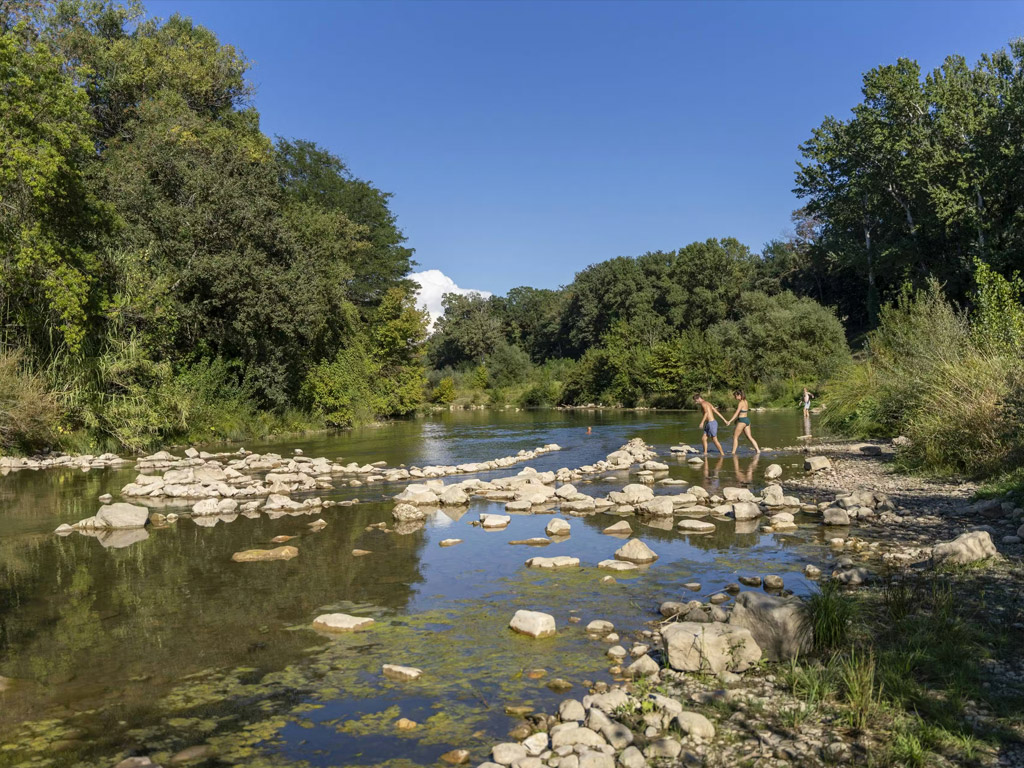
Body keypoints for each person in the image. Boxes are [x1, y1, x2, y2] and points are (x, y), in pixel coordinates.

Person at [725, 389, 760, 454]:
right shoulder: (745, 401)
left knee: (735, 437)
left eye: (735, 396)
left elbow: (736, 413)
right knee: (749, 437)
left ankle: (733, 452)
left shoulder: (740, 403)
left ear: (739, 395)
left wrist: (729, 421)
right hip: (747, 420)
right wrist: (736, 419)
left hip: (742, 421)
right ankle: (758, 450)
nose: (735, 397)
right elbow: (742, 412)